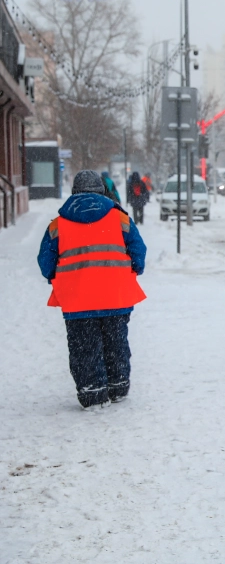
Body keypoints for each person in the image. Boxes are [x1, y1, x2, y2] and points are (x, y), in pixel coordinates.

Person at [38, 170, 147, 408]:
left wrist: (54, 276)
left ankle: (92, 392)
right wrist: (134, 268)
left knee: (84, 347)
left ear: (75, 191)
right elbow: (138, 250)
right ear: (101, 190)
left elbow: (45, 261)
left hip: (77, 300)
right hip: (116, 296)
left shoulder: (58, 224)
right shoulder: (119, 218)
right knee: (115, 343)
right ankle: (118, 386)